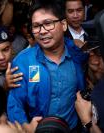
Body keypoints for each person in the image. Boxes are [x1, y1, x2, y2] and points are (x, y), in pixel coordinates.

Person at [7, 0, 87, 132]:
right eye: (36, 26)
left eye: (48, 24)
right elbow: (15, 102)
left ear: (63, 24)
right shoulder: (23, 62)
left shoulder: (78, 56)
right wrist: (25, 126)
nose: (42, 31)